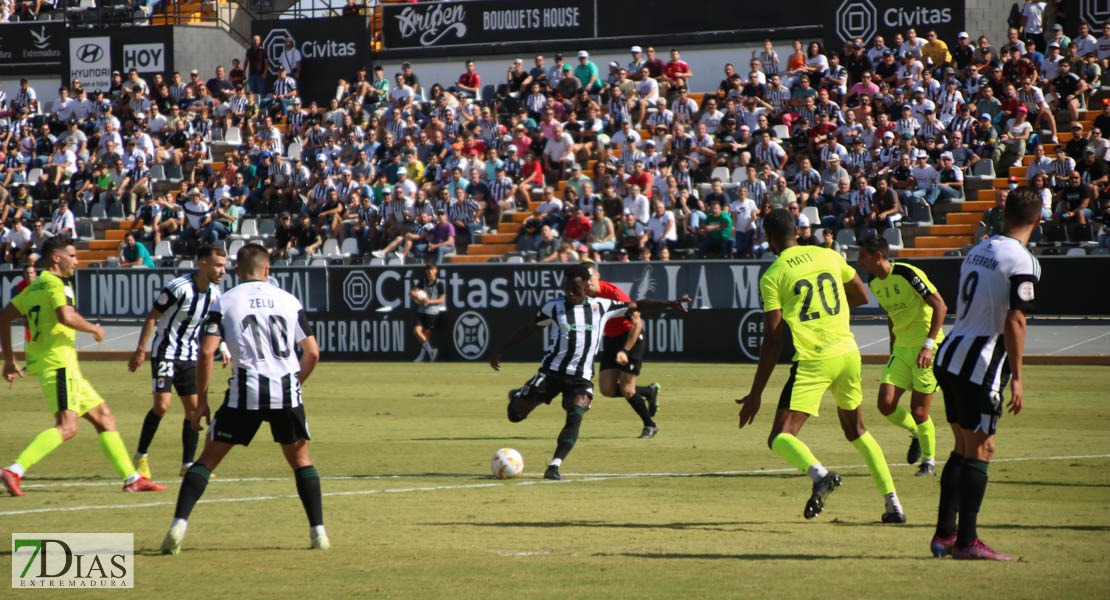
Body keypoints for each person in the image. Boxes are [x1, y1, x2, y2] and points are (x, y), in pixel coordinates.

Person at [736, 209, 904, 523]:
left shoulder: (773, 274)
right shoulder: (827, 255)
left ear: (770, 238)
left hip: (814, 360)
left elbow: (772, 341)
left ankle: (820, 476)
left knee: (781, 436)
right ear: (797, 232)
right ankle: (893, 503)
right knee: (857, 431)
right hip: (848, 353)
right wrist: (834, 311)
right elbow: (861, 294)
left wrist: (756, 393)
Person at [161, 243, 326, 554]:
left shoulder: (225, 301)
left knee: (207, 460)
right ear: (267, 270)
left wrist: (203, 402)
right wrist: (295, 382)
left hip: (244, 393)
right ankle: (319, 533)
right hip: (285, 392)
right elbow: (313, 353)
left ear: (236, 272)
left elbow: (207, 351)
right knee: (301, 461)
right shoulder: (289, 301)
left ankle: (178, 526)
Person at [489, 264, 688, 481]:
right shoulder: (553, 308)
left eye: (575, 288)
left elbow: (638, 305)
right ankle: (521, 396)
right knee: (515, 415)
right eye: (567, 289)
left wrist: (669, 303)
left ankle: (554, 466)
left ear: (586, 286)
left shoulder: (602, 306)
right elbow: (528, 330)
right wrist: (501, 350)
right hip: (550, 373)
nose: (571, 293)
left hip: (581, 378)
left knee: (576, 414)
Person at [0, 237, 166, 497]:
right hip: (59, 365)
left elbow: (4, 317)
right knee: (67, 426)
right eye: (73, 256)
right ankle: (14, 470)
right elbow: (65, 316)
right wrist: (94, 328)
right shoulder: (57, 284)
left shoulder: (35, 286)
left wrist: (9, 359)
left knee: (104, 416)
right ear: (57, 258)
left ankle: (131, 478)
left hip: (59, 365)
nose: (77, 261)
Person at [930, 187, 1042, 561]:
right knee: (982, 449)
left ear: (1003, 213)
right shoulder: (1024, 260)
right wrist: (1019, 377)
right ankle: (967, 541)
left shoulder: (978, 248)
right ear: (1038, 220)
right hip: (980, 362)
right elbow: (1016, 319)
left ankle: (945, 535)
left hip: (950, 354)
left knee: (963, 448)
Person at [128, 245, 230, 480]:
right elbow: (154, 315)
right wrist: (141, 350)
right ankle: (141, 456)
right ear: (203, 264)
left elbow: (215, 325)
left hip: (189, 356)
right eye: (218, 265)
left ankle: (188, 464)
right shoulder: (179, 287)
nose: (223, 271)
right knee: (162, 406)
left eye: (224, 266)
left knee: (193, 411)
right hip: (165, 352)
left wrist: (222, 346)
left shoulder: (215, 294)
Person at [857, 237, 947, 477]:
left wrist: (928, 345)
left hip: (926, 348)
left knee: (919, 411)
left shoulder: (907, 273)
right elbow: (890, 313)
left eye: (862, 256)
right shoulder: (874, 281)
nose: (858, 261)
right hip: (901, 350)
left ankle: (929, 462)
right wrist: (892, 346)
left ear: (877, 256)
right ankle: (917, 434)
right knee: (885, 404)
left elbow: (940, 306)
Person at [582, 261, 661, 439]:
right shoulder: (584, 296)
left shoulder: (612, 292)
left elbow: (637, 321)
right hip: (611, 340)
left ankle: (650, 425)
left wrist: (625, 349)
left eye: (590, 277)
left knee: (627, 388)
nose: (587, 281)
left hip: (630, 337)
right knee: (607, 389)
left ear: (597, 276)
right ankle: (649, 391)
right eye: (583, 278)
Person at [411, 262, 446, 363]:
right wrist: (417, 297)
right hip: (421, 311)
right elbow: (412, 292)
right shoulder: (422, 281)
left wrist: (429, 301)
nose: (429, 271)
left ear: (436, 270)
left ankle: (423, 355)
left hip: (432, 312)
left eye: (431, 269)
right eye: (428, 269)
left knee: (426, 335)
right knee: (416, 332)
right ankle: (431, 351)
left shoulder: (439, 283)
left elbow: (441, 300)